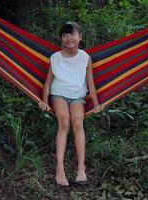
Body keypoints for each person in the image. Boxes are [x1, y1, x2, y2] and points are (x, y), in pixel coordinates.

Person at [39, 22, 104, 186]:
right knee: (64, 122)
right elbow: (48, 83)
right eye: (65, 35)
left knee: (77, 122)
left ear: (80, 37)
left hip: (77, 96)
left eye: (72, 34)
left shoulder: (85, 58)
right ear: (62, 39)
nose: (68, 38)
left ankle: (81, 168)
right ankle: (59, 168)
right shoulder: (55, 58)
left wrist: (96, 103)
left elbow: (90, 83)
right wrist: (44, 101)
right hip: (59, 94)